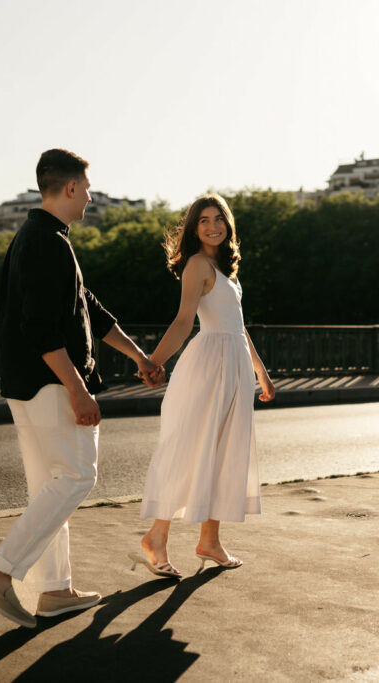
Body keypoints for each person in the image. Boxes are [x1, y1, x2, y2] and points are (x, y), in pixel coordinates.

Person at [0, 149, 164, 627]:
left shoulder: (40, 239)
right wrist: (77, 388)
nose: (91, 199)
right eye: (88, 189)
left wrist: (139, 356)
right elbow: (41, 329)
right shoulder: (45, 243)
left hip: (28, 384)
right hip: (51, 384)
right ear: (71, 187)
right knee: (77, 476)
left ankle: (55, 590)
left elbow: (88, 309)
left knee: (48, 488)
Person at [129, 193, 275, 579]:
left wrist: (259, 371)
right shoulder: (196, 264)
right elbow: (182, 320)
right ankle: (156, 537)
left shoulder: (226, 269)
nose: (213, 226)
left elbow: (238, 325)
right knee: (191, 448)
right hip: (209, 365)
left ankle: (209, 541)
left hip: (236, 366)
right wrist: (153, 361)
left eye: (219, 219)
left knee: (226, 453)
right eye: (204, 221)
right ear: (195, 229)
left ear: (228, 224)